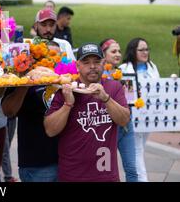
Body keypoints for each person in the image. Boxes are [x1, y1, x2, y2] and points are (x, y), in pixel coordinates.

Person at [44, 42, 130, 182]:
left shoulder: (113, 88)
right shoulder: (66, 89)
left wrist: (106, 99)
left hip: (106, 174)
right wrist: (68, 103)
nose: (92, 67)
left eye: (96, 62)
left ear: (103, 63)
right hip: (73, 175)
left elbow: (124, 120)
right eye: (86, 62)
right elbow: (50, 130)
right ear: (77, 65)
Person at [119, 38, 160, 182]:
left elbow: (158, 90)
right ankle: (142, 179)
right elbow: (127, 97)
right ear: (133, 51)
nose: (145, 52)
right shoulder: (125, 69)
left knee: (140, 148)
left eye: (147, 49)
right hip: (133, 116)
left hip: (149, 116)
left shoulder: (152, 67)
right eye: (141, 49)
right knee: (136, 150)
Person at [99, 38, 138, 182]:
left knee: (132, 169)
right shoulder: (98, 76)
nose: (118, 54)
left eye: (119, 51)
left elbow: (130, 100)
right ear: (103, 54)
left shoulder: (124, 73)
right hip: (107, 128)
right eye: (113, 51)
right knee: (106, 170)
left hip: (127, 127)